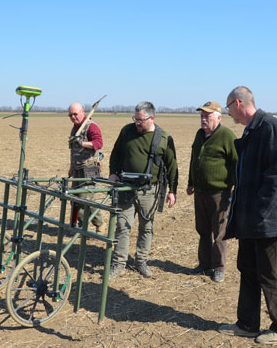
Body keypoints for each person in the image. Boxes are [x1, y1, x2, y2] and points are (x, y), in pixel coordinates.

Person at [219, 86, 277, 344]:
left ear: (239, 103)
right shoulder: (251, 130)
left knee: (268, 272)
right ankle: (247, 323)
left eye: (228, 107)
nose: (227, 112)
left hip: (268, 220)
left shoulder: (271, 128)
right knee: (248, 268)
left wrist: (259, 214)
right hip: (251, 219)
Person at [107, 101, 178, 279]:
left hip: (149, 191)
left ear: (152, 118)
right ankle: (119, 264)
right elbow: (115, 153)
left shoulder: (163, 138)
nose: (137, 123)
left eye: (140, 120)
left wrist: (172, 191)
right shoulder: (127, 131)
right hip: (126, 187)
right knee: (122, 226)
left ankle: (141, 262)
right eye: (135, 119)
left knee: (146, 227)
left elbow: (172, 167)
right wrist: (113, 173)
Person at [186, 101, 238, 283]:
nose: (203, 119)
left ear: (218, 117)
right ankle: (204, 264)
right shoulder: (200, 135)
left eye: (207, 116)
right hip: (200, 192)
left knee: (220, 232)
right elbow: (195, 159)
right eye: (201, 116)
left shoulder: (227, 136)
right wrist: (191, 183)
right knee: (203, 230)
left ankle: (219, 268)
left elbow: (237, 164)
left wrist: (233, 189)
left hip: (220, 194)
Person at [68, 102, 104, 232]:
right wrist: (71, 166)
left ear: (82, 112)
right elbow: (73, 150)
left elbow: (99, 143)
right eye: (70, 115)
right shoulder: (75, 129)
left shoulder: (91, 126)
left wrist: (82, 143)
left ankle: (97, 224)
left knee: (84, 199)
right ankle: (85, 227)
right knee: (75, 199)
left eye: (75, 114)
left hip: (89, 169)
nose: (73, 117)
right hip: (77, 168)